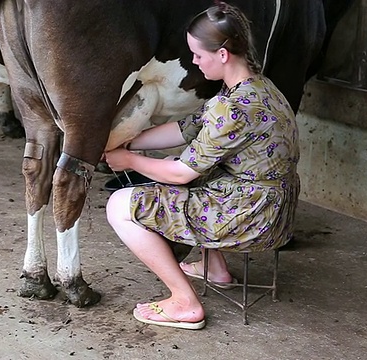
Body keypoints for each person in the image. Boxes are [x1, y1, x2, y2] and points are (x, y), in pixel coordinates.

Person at [104, 2, 300, 330]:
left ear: (222, 54)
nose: (193, 61)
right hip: (274, 207)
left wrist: (127, 160)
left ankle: (184, 301)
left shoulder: (233, 108)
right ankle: (216, 269)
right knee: (175, 169)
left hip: (250, 215)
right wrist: (128, 141)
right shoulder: (258, 87)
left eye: (197, 54)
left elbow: (182, 172)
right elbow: (188, 127)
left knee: (118, 206)